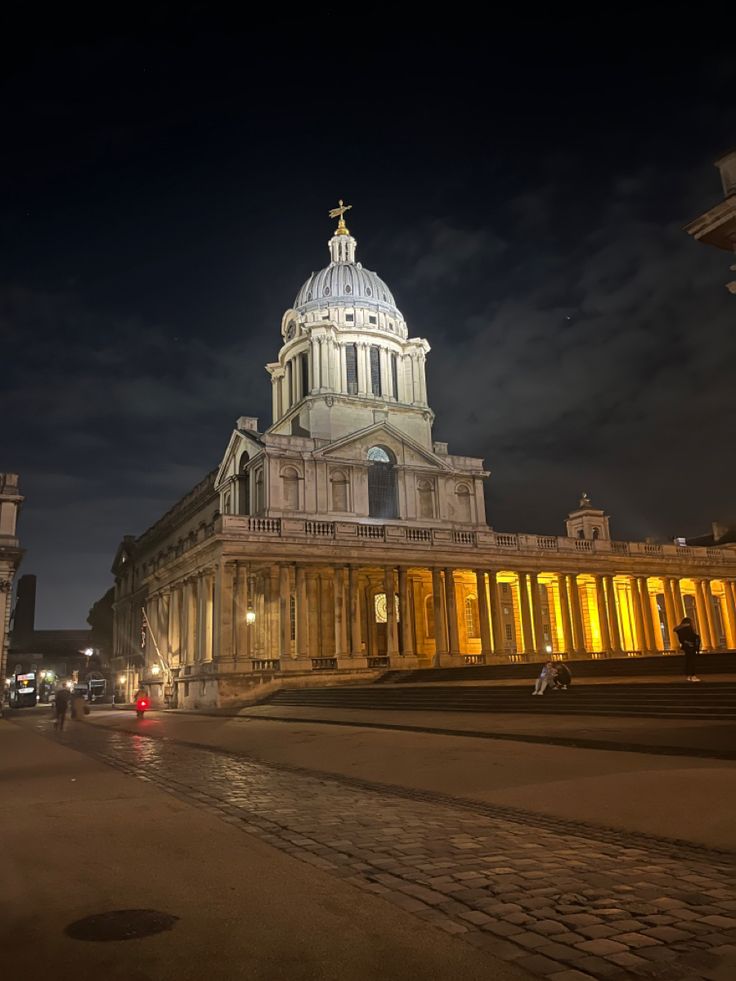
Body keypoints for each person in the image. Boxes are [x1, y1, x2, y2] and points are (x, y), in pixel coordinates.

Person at [674, 617, 701, 682]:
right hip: (691, 646)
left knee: (688, 661)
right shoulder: (688, 629)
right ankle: (693, 676)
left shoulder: (680, 630)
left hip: (686, 647)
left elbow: (681, 639)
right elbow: (693, 636)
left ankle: (689, 676)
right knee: (692, 662)